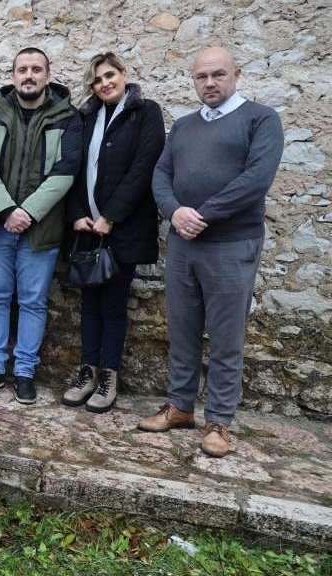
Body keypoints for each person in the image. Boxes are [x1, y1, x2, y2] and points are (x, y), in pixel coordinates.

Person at [139, 47, 283, 458]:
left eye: (218, 75)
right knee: (182, 330)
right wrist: (173, 211)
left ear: (236, 74)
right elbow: (161, 174)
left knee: (225, 337)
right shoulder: (184, 126)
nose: (210, 83)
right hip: (184, 245)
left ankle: (219, 420)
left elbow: (257, 179)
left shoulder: (261, 119)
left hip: (231, 244)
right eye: (202, 77)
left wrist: (201, 214)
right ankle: (181, 407)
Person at [0, 47, 83, 404]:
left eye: (36, 69)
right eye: (23, 69)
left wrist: (28, 212)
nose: (29, 75)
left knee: (33, 301)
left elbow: (66, 171)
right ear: (13, 75)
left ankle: (24, 373)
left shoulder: (67, 117)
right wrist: (6, 210)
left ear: (47, 76)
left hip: (41, 229)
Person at [61, 53, 165, 413]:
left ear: (123, 75)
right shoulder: (86, 116)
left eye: (109, 75)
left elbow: (143, 167)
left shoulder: (145, 112)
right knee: (89, 304)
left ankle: (108, 376)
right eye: (96, 80)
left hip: (123, 230)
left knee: (114, 305)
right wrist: (76, 214)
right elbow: (73, 168)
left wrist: (111, 216)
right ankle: (87, 371)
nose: (104, 83)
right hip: (88, 230)